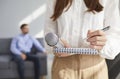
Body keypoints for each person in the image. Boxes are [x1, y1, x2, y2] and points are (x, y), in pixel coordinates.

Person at [44, 0, 120, 79]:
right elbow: (49, 33)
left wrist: (103, 43)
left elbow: (115, 35)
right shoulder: (53, 1)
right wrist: (57, 45)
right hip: (63, 66)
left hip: (95, 67)